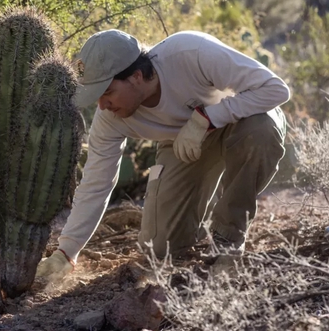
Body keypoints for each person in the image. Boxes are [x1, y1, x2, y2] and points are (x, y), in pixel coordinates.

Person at [36, 29, 290, 280]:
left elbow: (276, 89)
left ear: (136, 76)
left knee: (261, 131)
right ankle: (199, 216)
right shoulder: (109, 119)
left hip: (242, 121)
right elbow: (95, 184)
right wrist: (66, 252)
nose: (102, 106)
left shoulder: (190, 52)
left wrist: (207, 118)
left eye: (107, 92)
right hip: (183, 144)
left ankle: (229, 238)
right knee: (159, 248)